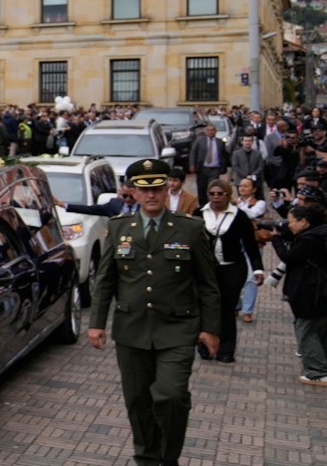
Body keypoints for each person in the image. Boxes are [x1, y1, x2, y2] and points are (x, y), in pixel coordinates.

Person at [89, 158, 220, 466]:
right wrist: (96, 323)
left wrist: (212, 328)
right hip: (131, 329)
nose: (152, 196)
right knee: (138, 400)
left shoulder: (190, 228)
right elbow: (105, 280)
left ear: (167, 189)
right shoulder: (119, 227)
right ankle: (147, 458)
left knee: (171, 395)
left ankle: (168, 457)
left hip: (177, 328)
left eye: (158, 189)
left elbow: (208, 284)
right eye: (144, 190)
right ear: (132, 192)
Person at [197, 179, 263, 363]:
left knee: (227, 308)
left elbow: (250, 245)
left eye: (220, 193)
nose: (216, 197)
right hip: (207, 269)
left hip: (232, 268)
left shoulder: (239, 216)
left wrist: (258, 269)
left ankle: (226, 349)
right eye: (212, 194)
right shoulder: (199, 213)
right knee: (207, 306)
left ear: (228, 195)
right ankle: (205, 345)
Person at [270, 203, 327, 386]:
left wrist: (276, 240)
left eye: (291, 222)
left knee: (307, 332)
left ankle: (317, 372)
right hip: (324, 295)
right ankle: (323, 364)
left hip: (310, 296)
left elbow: (289, 258)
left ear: (304, 221)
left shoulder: (310, 240)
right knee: (324, 332)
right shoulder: (323, 233)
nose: (288, 225)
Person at [233, 176, 267, 323]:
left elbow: (251, 214)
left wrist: (236, 206)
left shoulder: (260, 203)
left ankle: (248, 310)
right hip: (235, 243)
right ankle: (236, 304)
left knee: (251, 278)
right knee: (234, 276)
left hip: (254, 243)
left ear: (254, 189)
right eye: (240, 186)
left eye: (246, 186)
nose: (242, 188)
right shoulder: (234, 202)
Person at [189, 122, 228, 206]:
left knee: (213, 188)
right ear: (206, 131)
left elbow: (224, 155)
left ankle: (212, 205)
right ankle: (202, 206)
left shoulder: (220, 142)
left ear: (216, 131)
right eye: (209, 130)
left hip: (215, 169)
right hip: (202, 169)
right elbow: (193, 152)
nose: (210, 132)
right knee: (201, 188)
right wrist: (192, 164)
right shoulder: (200, 140)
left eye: (212, 130)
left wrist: (224, 167)